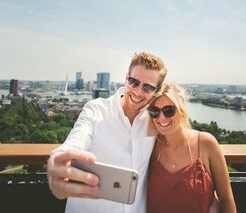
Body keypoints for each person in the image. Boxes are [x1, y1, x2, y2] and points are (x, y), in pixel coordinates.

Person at [47, 52, 167, 213]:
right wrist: (56, 166)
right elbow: (74, 143)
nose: (138, 92)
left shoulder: (155, 120)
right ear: (126, 79)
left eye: (147, 87)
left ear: (156, 91)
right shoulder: (96, 110)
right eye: (133, 82)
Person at [147, 83, 237, 213]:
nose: (161, 118)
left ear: (181, 110)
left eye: (168, 111)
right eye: (154, 112)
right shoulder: (151, 147)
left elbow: (226, 200)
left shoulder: (206, 144)